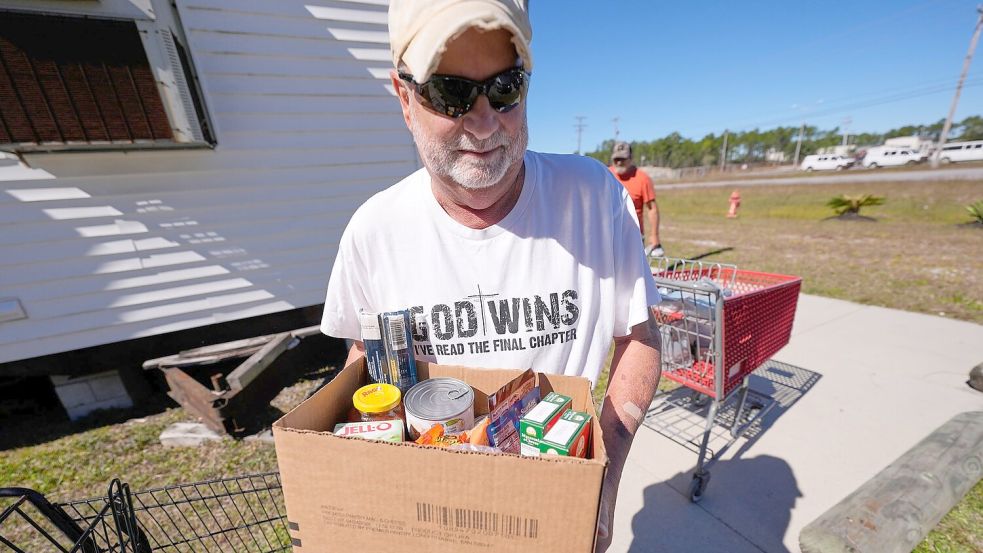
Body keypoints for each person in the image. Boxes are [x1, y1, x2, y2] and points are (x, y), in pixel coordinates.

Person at [320, 1, 661, 550]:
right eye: (450, 94)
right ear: (405, 98)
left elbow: (640, 339)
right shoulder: (373, 231)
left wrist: (605, 477)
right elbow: (365, 359)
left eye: (505, 88)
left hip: (552, 511)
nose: (483, 124)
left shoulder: (596, 199)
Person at [608, 141, 664, 257]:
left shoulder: (642, 179)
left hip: (633, 237)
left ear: (631, 158)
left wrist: (655, 235)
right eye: (616, 159)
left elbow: (652, 209)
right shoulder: (606, 175)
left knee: (632, 274)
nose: (619, 162)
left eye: (622, 159)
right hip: (608, 235)